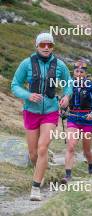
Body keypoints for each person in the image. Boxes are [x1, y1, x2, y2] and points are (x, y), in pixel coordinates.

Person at [11, 32, 72, 201]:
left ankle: (35, 188)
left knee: (42, 147)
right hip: (31, 111)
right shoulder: (26, 64)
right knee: (33, 153)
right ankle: (41, 170)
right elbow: (15, 85)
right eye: (43, 44)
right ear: (36, 45)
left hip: (51, 112)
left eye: (49, 45)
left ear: (53, 47)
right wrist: (27, 95)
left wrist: (66, 97)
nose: (46, 47)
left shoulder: (60, 65)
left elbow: (68, 84)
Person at [61, 60, 92, 184]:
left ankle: (90, 166)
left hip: (87, 119)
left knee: (86, 150)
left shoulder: (91, 85)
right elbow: (64, 100)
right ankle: (68, 175)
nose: (79, 74)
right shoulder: (69, 84)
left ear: (85, 73)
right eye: (77, 71)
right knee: (71, 145)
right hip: (73, 117)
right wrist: (62, 109)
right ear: (73, 72)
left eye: (81, 72)